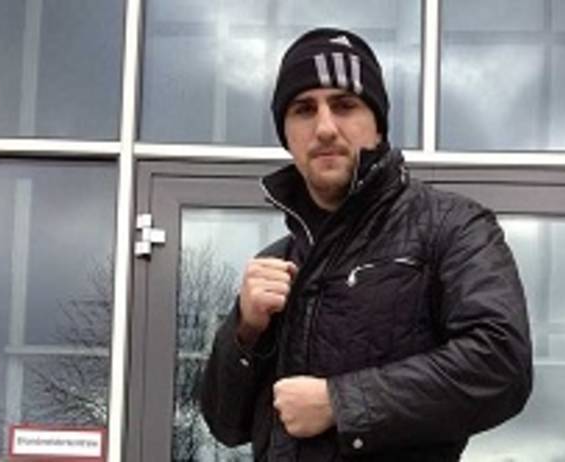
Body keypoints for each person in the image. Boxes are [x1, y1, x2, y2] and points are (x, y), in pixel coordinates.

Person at [198, 27, 532, 461]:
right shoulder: (276, 263)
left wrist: (339, 403)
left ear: (378, 125)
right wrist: (244, 333)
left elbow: (501, 365)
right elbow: (225, 426)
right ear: (286, 133)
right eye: (304, 109)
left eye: (344, 105)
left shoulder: (452, 227)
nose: (324, 128)